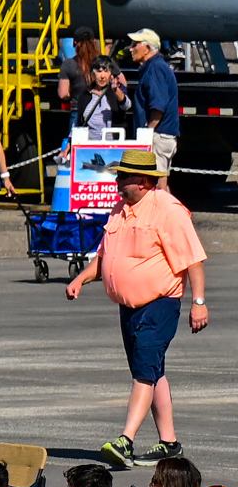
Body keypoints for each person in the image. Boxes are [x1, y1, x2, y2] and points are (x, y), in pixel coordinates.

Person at [69, 141, 209, 463]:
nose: (118, 182)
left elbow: (194, 260)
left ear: (144, 181)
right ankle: (169, 443)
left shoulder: (168, 210)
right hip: (129, 308)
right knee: (151, 370)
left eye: (124, 177)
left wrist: (198, 302)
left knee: (144, 371)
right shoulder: (120, 209)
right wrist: (80, 279)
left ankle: (126, 440)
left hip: (160, 303)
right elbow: (104, 256)